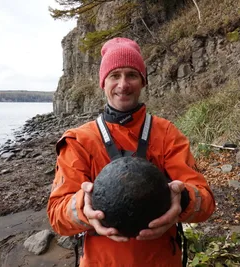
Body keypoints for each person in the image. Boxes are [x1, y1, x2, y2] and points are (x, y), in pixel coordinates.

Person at [47, 37, 216, 267]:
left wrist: (183, 198)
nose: (123, 84)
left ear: (143, 81)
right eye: (115, 75)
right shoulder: (79, 141)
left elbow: (205, 202)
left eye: (132, 75)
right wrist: (83, 206)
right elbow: (57, 216)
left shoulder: (166, 134)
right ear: (103, 83)